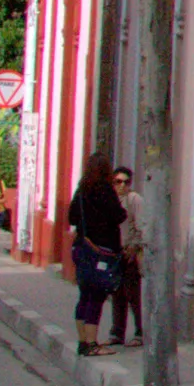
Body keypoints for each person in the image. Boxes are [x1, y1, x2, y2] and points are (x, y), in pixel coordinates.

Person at [66, 153, 127, 357]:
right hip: (102, 251)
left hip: (82, 247)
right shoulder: (105, 191)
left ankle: (83, 341)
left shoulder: (81, 190)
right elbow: (119, 216)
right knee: (97, 296)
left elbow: (72, 217)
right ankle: (92, 343)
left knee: (84, 295)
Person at [110, 166, 145, 349]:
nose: (122, 185)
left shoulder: (134, 200)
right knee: (117, 293)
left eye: (126, 182)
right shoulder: (112, 200)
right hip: (115, 253)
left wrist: (134, 247)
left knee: (133, 294)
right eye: (118, 181)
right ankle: (117, 331)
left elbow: (141, 226)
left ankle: (140, 331)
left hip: (130, 252)